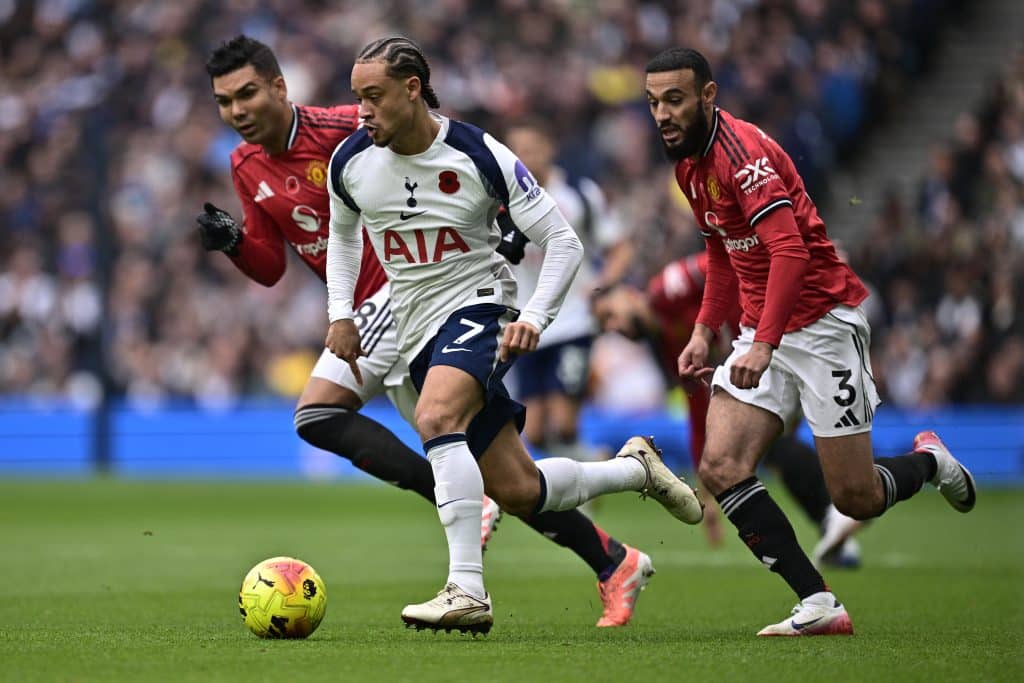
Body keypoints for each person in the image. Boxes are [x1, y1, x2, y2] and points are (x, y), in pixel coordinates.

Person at [198, 35, 670, 630]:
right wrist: (236, 244)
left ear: (279, 88)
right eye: (224, 102)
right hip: (371, 311)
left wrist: (503, 226)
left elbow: (446, 155)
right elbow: (270, 266)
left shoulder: (349, 127)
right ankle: (613, 558)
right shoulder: (246, 166)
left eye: (246, 94)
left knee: (323, 416)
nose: (237, 111)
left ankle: (467, 563)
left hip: (402, 297)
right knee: (504, 477)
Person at [326, 36, 703, 634]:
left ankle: (466, 591)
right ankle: (637, 470)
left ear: (412, 90)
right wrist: (341, 312)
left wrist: (534, 318)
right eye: (356, 98)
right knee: (519, 487)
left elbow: (565, 242)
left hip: (479, 307)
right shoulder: (350, 162)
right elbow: (344, 238)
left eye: (373, 96)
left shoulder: (478, 155)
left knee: (434, 417)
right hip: (414, 323)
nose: (361, 110)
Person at [644, 47, 976, 636]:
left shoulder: (743, 160)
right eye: (653, 103)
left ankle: (929, 462)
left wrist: (764, 346)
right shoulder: (688, 167)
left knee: (857, 498)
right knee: (720, 465)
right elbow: (721, 251)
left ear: (708, 95)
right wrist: (702, 330)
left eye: (674, 99)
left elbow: (790, 252)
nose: (663, 114)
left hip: (822, 326)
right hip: (760, 329)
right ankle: (818, 602)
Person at [592, 252, 864, 567]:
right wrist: (702, 490)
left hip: (775, 332)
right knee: (772, 444)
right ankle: (835, 523)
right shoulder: (667, 342)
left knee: (777, 441)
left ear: (628, 294)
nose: (613, 327)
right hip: (760, 352)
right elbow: (697, 412)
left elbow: (721, 264)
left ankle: (849, 504)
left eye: (610, 314)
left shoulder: (666, 288)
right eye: (605, 325)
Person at [504, 119, 633, 466]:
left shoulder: (578, 193)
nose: (523, 158)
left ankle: (587, 484)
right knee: (534, 433)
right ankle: (596, 465)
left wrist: (602, 287)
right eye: (516, 151)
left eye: (530, 149)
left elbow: (620, 247)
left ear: (549, 149)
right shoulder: (502, 198)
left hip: (574, 320)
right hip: (526, 324)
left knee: (563, 422)